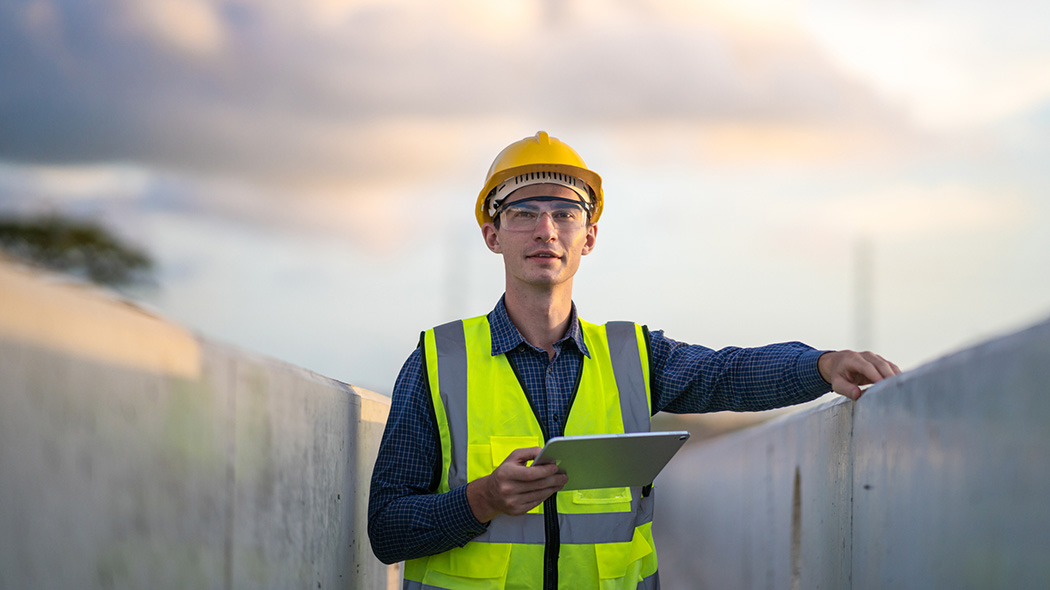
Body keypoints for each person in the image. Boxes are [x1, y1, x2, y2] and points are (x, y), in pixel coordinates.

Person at [368, 131, 900, 590]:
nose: (545, 230)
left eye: (565, 213)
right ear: (492, 235)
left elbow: (726, 374)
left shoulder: (632, 356)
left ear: (589, 237)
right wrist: (480, 499)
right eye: (523, 213)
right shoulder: (438, 362)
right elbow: (387, 529)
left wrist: (821, 365)